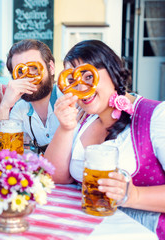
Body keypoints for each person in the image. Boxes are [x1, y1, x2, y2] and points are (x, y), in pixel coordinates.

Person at [45, 40, 165, 239]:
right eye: (73, 81)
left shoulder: (156, 116)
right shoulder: (83, 117)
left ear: (111, 70)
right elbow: (56, 176)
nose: (81, 87)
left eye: (88, 76)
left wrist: (133, 196)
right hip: (87, 229)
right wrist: (66, 128)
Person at [0, 39, 60, 154]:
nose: (29, 78)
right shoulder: (20, 109)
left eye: (35, 68)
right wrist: (5, 105)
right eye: (21, 71)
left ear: (51, 68)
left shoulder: (70, 101)